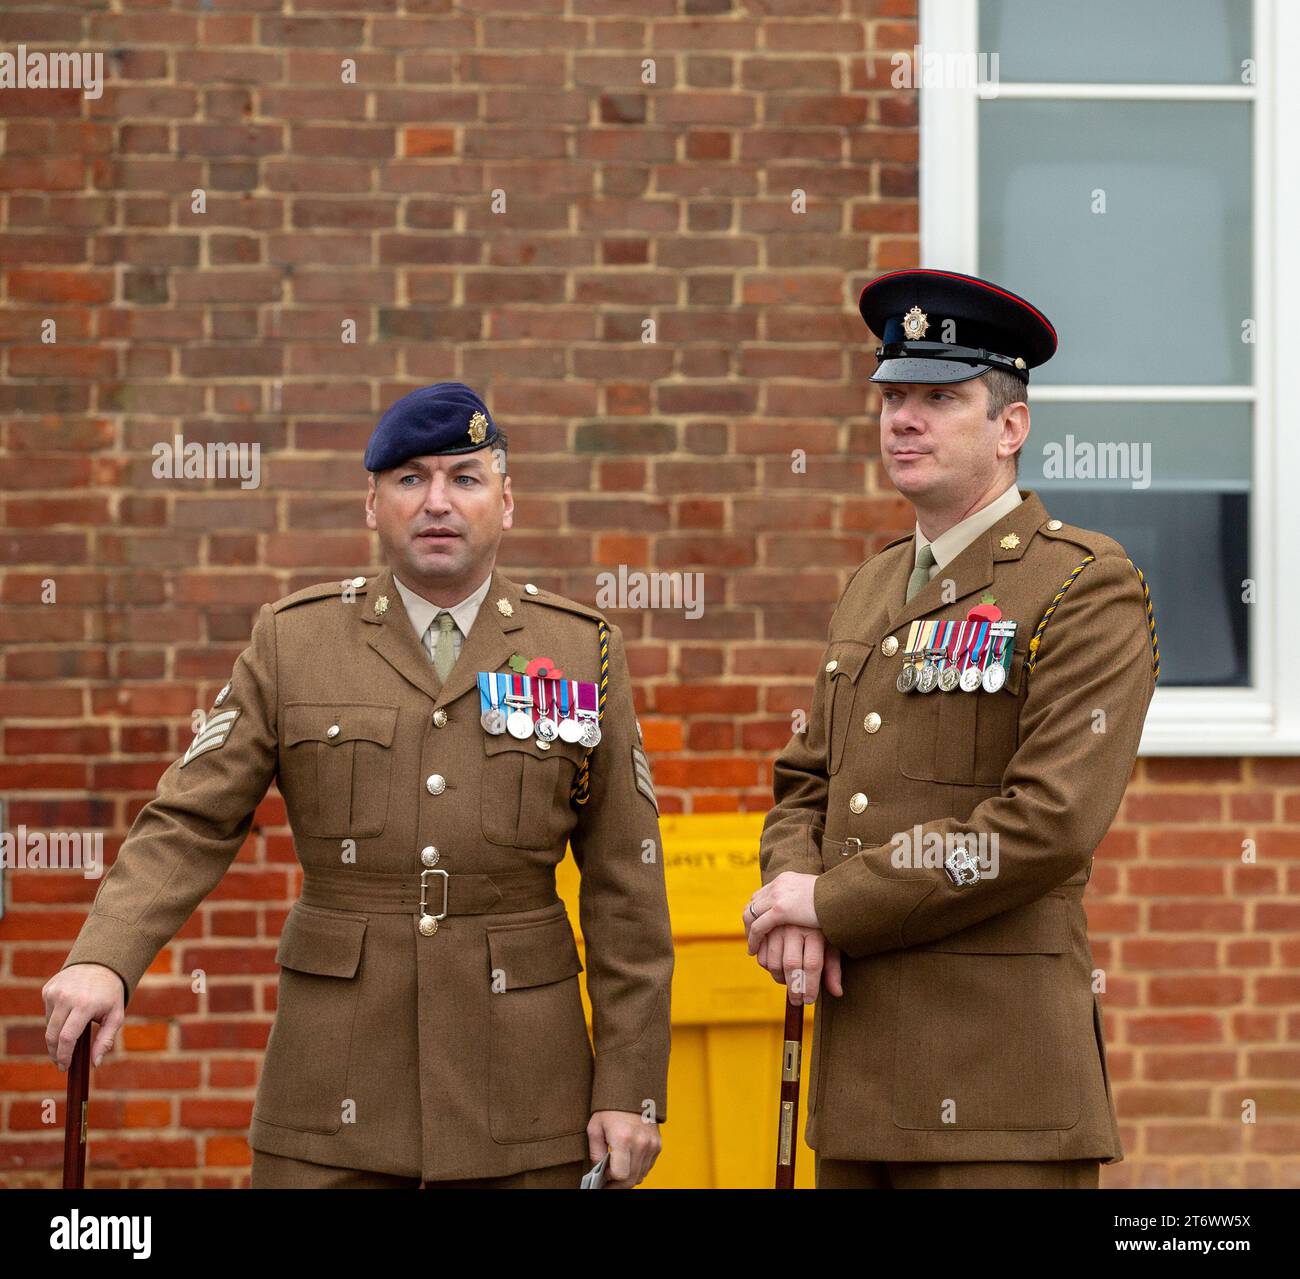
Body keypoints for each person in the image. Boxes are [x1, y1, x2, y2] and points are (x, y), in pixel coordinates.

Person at [44, 381, 673, 1189]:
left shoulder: (582, 651)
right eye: (410, 479)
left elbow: (627, 883)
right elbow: (190, 819)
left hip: (526, 1101)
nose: (437, 501)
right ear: (370, 504)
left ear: (507, 502)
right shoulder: (294, 642)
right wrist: (106, 956)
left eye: (465, 477)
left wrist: (630, 1085)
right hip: (330, 1096)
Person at [743, 269, 1160, 1190]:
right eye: (893, 396)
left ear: (1010, 427)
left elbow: (1045, 824)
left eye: (940, 397)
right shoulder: (873, 582)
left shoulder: (1081, 585)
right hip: (857, 1086)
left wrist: (831, 903)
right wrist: (789, 885)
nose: (904, 418)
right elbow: (805, 779)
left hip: (997, 1088)